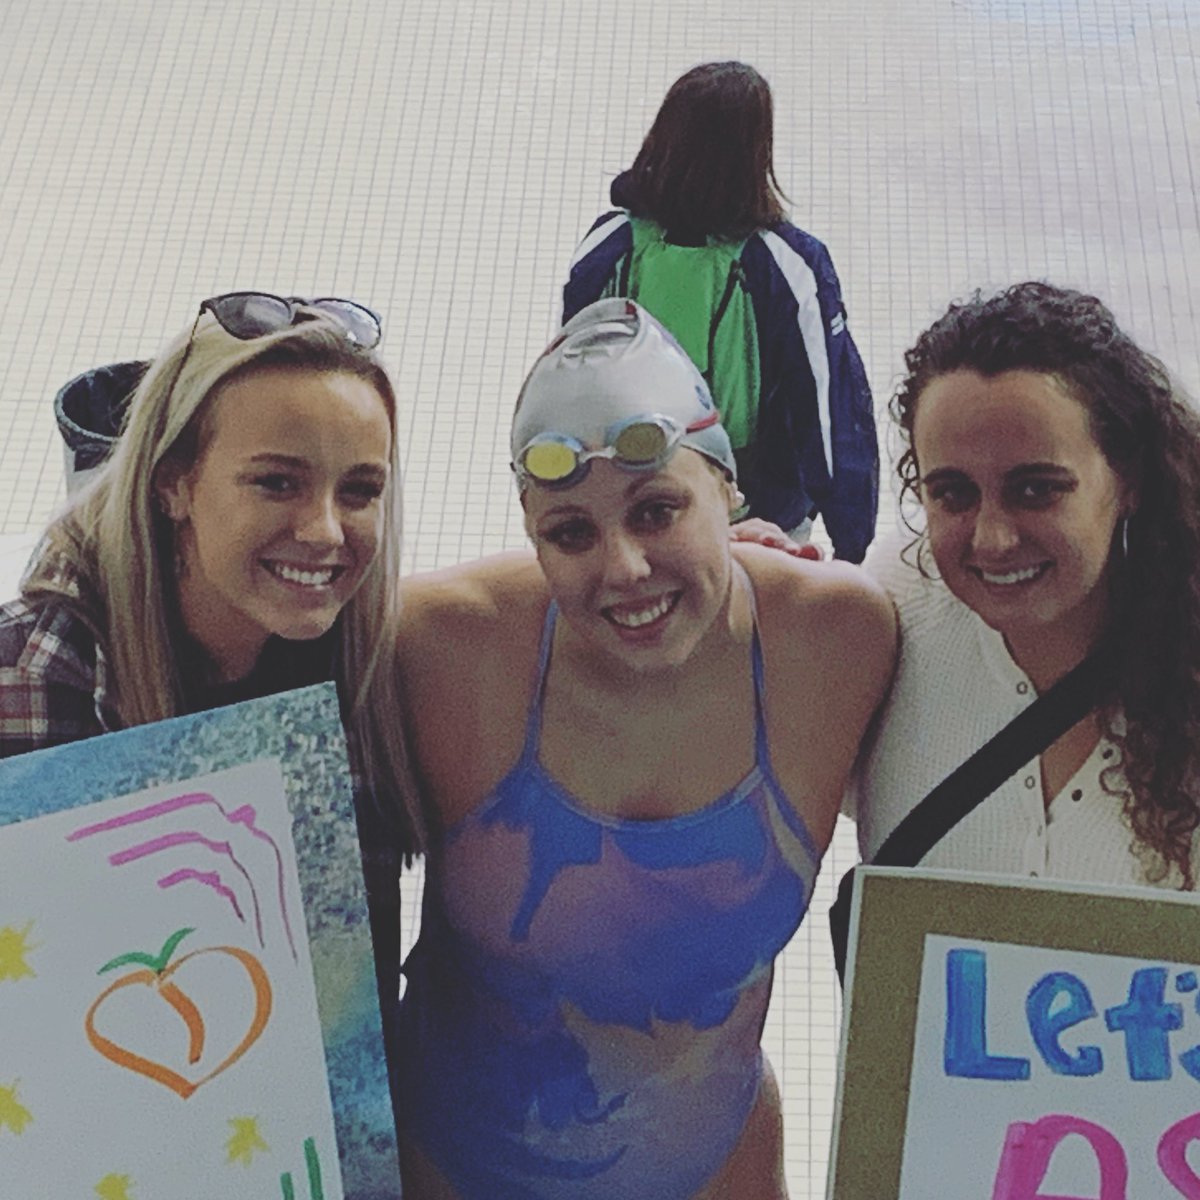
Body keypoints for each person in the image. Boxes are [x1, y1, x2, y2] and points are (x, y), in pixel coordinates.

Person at [393, 298, 895, 1199]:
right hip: (455, 1176)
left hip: (717, 1174)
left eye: (660, 510)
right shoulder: (441, 648)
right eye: (571, 533)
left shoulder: (836, 639)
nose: (623, 567)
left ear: (729, 491)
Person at [0, 292, 421, 1090]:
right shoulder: (31, 683)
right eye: (277, 482)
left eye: (360, 490)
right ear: (174, 486)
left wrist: (731, 557)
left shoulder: (371, 667)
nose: (327, 531)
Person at [849, 280, 1200, 888]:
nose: (992, 540)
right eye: (953, 493)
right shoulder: (886, 613)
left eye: (1036, 489)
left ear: (1130, 479)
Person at [562, 61, 878, 563]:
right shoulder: (789, 264)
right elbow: (828, 409)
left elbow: (571, 386)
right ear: (756, 153)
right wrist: (852, 547)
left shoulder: (608, 244)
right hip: (758, 520)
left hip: (630, 509)